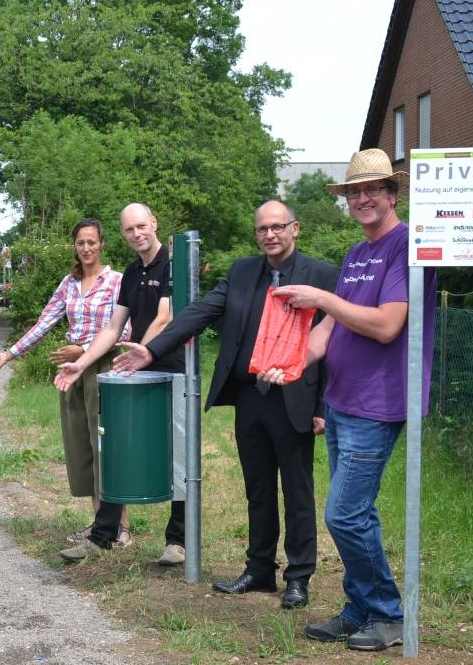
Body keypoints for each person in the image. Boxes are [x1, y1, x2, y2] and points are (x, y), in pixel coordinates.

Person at [112, 201, 338, 608]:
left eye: (277, 227)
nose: (270, 235)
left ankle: (299, 576)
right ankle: (259, 570)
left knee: (297, 490)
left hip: (294, 396)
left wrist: (321, 405)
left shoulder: (322, 276)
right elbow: (198, 312)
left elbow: (333, 343)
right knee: (258, 488)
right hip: (249, 395)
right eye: (262, 229)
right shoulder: (242, 272)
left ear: (295, 228)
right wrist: (151, 349)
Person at [259, 148, 436, 651]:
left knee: (344, 514)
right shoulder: (359, 254)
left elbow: (386, 326)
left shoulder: (406, 245)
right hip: (341, 400)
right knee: (356, 513)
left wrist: (322, 299)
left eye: (371, 190)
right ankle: (360, 609)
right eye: (354, 192)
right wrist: (289, 363)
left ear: (392, 193)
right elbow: (329, 330)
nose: (362, 199)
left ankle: (386, 613)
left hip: (378, 403)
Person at [0, 219, 133, 546]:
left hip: (104, 368)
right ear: (75, 246)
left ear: (102, 244)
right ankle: (99, 524)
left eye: (92, 242)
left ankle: (122, 527)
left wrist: (83, 348)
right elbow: (43, 323)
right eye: (81, 243)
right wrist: (8, 355)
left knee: (106, 446)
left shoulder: (117, 281)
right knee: (83, 446)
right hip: (72, 374)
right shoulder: (69, 284)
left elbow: (124, 331)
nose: (87, 248)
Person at [54, 203, 186, 566]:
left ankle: (178, 541)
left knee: (178, 454)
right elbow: (112, 328)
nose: (136, 234)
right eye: (129, 230)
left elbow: (165, 316)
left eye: (141, 226)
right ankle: (103, 535)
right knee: (116, 449)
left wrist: (143, 351)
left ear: (154, 223)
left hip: (172, 370)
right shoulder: (131, 272)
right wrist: (80, 364)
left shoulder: (175, 265)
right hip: (137, 370)